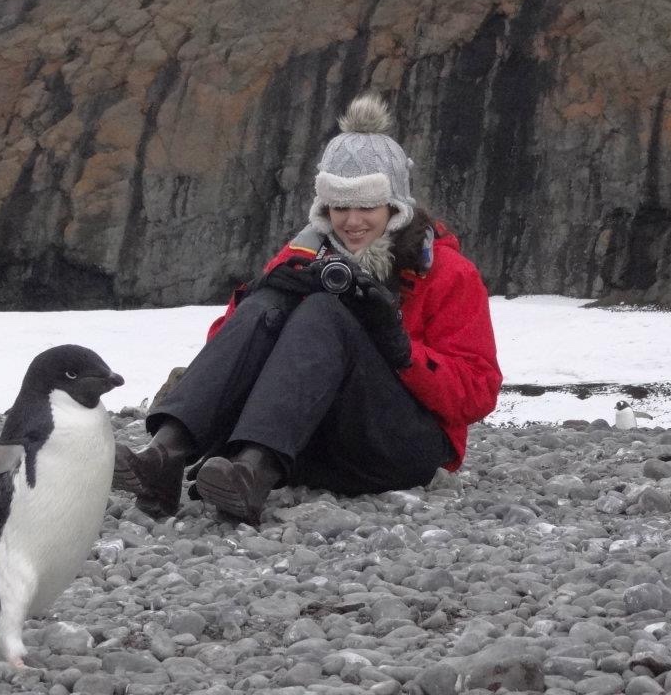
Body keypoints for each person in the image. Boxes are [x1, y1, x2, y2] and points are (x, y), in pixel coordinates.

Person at [114, 93, 502, 525]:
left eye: (365, 206)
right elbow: (225, 351)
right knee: (270, 300)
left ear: (395, 206)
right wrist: (262, 291)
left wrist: (401, 349)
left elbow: (478, 393)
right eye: (339, 206)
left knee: (324, 314)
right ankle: (165, 456)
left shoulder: (446, 271)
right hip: (313, 444)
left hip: (400, 448)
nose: (351, 221)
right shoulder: (303, 253)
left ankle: (252, 473)